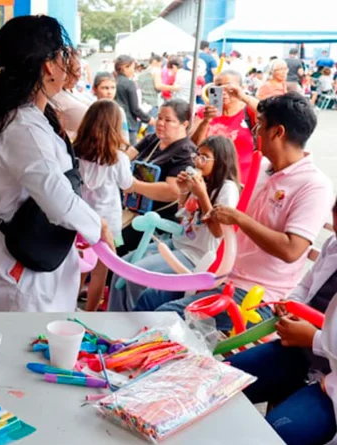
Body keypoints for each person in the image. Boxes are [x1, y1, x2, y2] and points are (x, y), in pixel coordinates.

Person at [140, 94, 333, 330]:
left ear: (278, 132)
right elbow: (220, 230)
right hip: (222, 273)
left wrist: (239, 218)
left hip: (257, 294)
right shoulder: (261, 168)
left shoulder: (313, 186)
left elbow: (292, 250)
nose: (255, 131)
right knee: (149, 297)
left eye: (260, 124)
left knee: (166, 316)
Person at [0, 15, 113, 313]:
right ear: (49, 65)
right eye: (64, 55)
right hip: (20, 282)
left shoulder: (24, 117)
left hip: (23, 269)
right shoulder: (22, 127)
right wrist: (100, 226)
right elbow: (59, 202)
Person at [226, 198, 337, 445]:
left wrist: (314, 339)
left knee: (272, 436)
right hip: (298, 349)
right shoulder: (333, 245)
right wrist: (290, 305)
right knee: (220, 380)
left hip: (329, 380)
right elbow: (307, 284)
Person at [128, 135, 241, 311]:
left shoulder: (227, 189)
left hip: (195, 254)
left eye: (204, 158)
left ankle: (129, 319)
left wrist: (202, 195)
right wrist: (183, 192)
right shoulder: (202, 182)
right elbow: (184, 217)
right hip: (178, 243)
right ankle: (116, 312)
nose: (197, 162)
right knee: (125, 267)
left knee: (134, 275)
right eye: (197, 156)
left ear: (221, 161)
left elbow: (218, 232)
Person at [116, 99, 196, 258]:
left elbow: (172, 191)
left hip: (155, 219)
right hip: (130, 208)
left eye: (168, 120)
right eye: (159, 118)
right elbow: (126, 157)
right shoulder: (151, 139)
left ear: (184, 124)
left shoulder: (185, 152)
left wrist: (134, 185)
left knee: (116, 244)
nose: (160, 123)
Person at [74, 100, 134, 311]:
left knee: (78, 269)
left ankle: (69, 307)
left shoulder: (75, 154)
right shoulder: (118, 158)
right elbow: (127, 184)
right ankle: (90, 312)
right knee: (101, 272)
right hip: (108, 223)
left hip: (80, 221)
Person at [191, 70, 259, 180]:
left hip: (242, 180)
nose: (223, 90)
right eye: (218, 86)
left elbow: (268, 112)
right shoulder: (205, 112)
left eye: (229, 87)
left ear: (240, 88)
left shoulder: (249, 111)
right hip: (210, 181)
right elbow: (194, 145)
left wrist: (244, 97)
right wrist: (206, 121)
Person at [114, 54, 154, 145]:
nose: (133, 71)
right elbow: (135, 108)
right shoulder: (129, 83)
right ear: (124, 67)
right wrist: (148, 119)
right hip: (128, 124)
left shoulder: (112, 81)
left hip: (114, 122)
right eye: (132, 68)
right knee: (130, 153)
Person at [53, 47, 92, 140]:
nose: (76, 76)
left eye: (78, 70)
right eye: (69, 72)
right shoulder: (53, 97)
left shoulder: (74, 90)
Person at [136, 54, 177, 132]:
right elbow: (158, 86)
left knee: (138, 127)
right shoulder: (156, 70)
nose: (161, 66)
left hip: (141, 103)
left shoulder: (142, 72)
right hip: (151, 102)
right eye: (160, 63)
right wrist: (173, 88)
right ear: (156, 62)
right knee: (152, 128)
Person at [92, 72, 130, 143]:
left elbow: (124, 135)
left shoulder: (119, 111)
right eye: (105, 88)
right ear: (95, 89)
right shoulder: (91, 109)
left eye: (113, 88)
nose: (110, 92)